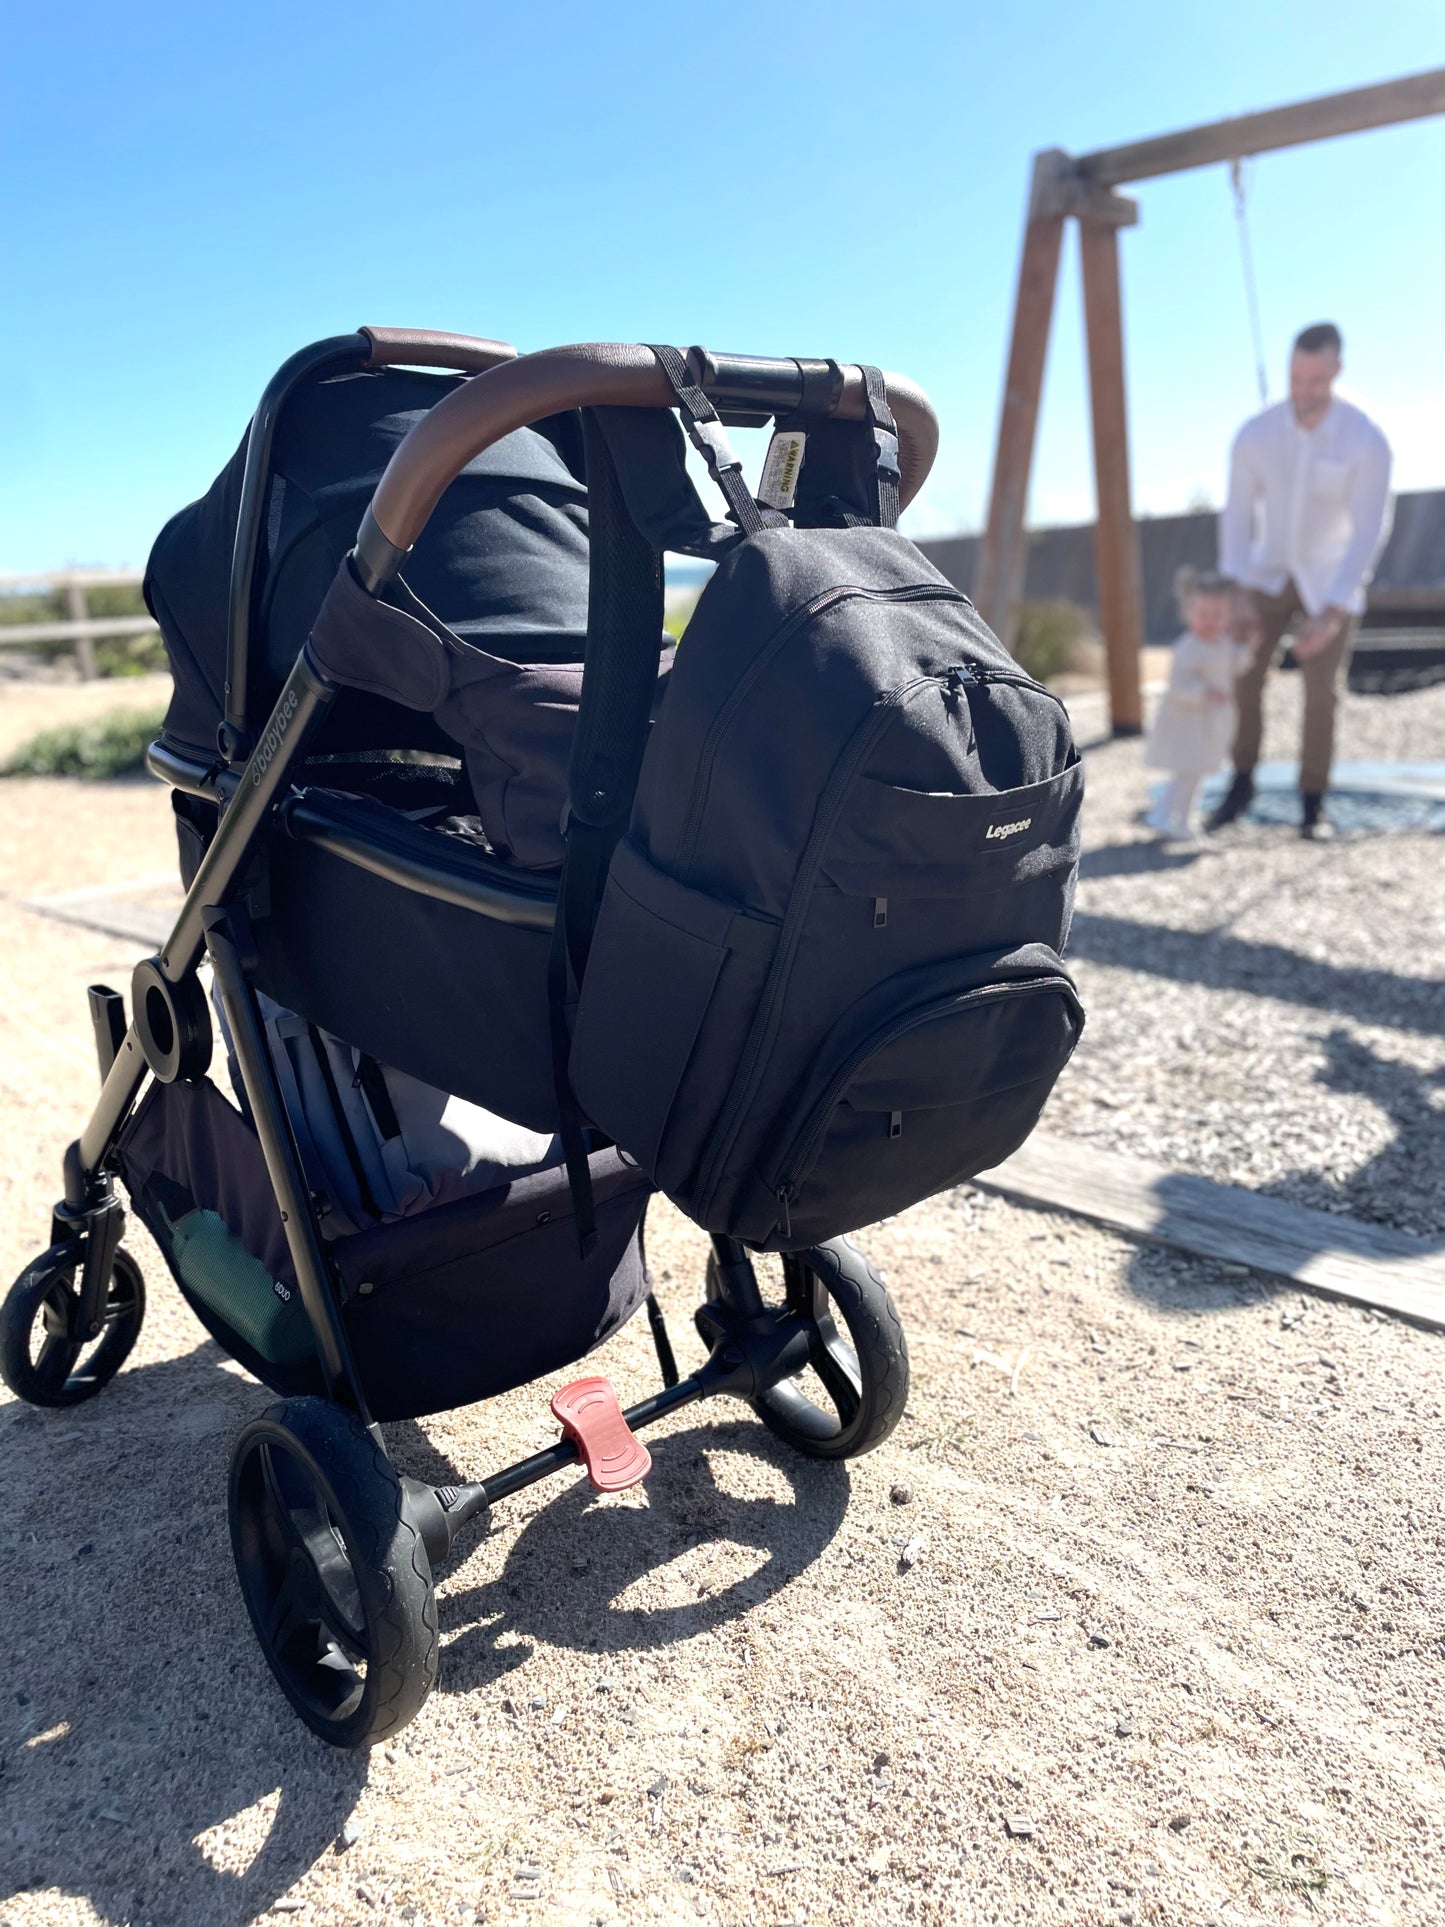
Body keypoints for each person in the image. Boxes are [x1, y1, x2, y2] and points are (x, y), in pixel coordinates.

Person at [1209, 323, 1392, 839]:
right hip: (1265, 574)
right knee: (1244, 676)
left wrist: (1332, 610)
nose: (1304, 391)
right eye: (1296, 378)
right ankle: (1241, 783)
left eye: (1316, 380)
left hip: (1332, 578)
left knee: (1321, 694)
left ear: (1336, 371)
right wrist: (1239, 593)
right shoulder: (1254, 435)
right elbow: (1237, 517)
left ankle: (1314, 804)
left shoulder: (1368, 439)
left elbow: (1369, 529)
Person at [1143, 569, 1249, 839]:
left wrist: (1247, 650)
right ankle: (1166, 816)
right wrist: (1204, 691)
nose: (1210, 621)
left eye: (1218, 615)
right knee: (1186, 774)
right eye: (1204, 614)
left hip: (1210, 723)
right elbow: (1180, 686)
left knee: (1196, 774)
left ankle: (1182, 820)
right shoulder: (1187, 647)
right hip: (1189, 724)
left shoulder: (1223, 643)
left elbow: (1234, 666)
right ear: (1189, 614)